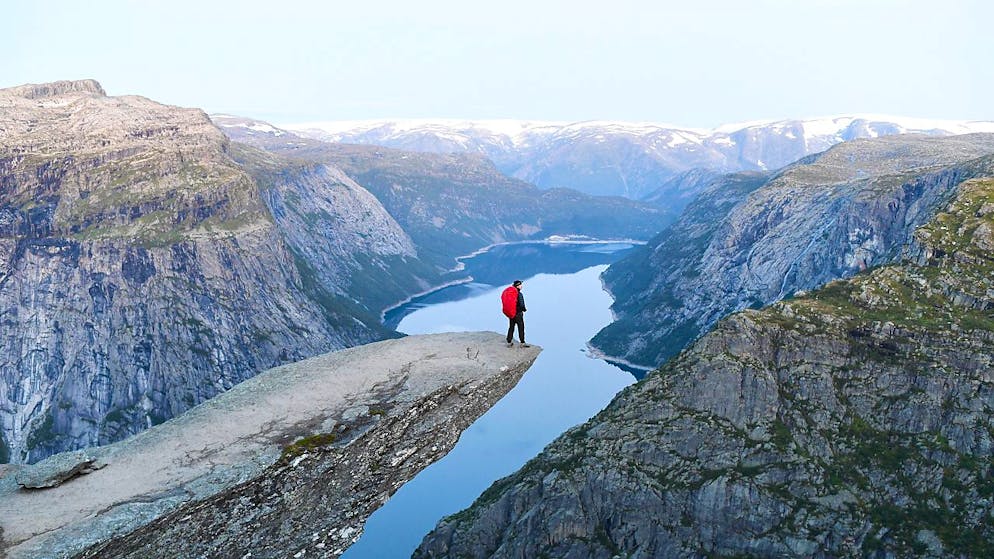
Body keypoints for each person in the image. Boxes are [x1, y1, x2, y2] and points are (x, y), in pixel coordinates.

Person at [505, 280, 529, 348]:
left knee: (511, 327)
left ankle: (509, 341)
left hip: (511, 313)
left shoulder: (511, 293)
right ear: (518, 286)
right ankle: (522, 342)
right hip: (518, 314)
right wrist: (524, 309)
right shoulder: (519, 294)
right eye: (520, 285)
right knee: (521, 327)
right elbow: (521, 305)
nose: (521, 286)